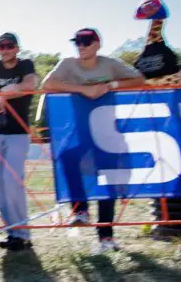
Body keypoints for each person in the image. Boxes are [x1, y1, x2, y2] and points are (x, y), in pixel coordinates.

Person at [42, 28, 145, 252]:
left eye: (86, 42)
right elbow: (47, 85)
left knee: (107, 182)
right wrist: (83, 89)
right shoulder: (68, 63)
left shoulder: (110, 64)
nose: (80, 46)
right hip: (80, 131)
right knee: (68, 158)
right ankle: (80, 210)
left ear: (97, 44)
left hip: (108, 131)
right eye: (77, 42)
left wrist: (110, 86)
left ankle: (106, 238)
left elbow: (140, 80)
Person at [0, 32, 38, 251]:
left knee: (12, 181)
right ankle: (12, 232)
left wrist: (2, 94)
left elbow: (30, 85)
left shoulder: (26, 64)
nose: (5, 50)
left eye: (9, 46)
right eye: (1, 46)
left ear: (17, 48)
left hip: (18, 132)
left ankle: (23, 233)